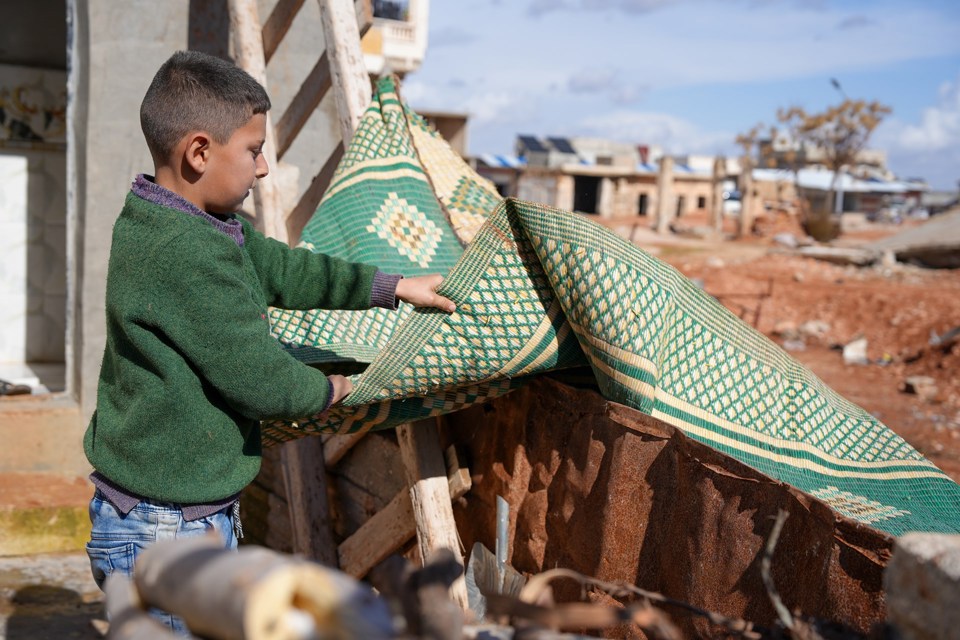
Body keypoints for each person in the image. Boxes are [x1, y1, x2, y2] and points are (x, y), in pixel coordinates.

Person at [83, 50, 455, 633]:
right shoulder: (182, 253)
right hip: (160, 525)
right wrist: (341, 387)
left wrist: (393, 285)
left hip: (180, 510)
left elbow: (286, 271)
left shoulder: (195, 225)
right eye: (254, 151)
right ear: (199, 152)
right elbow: (260, 380)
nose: (262, 169)